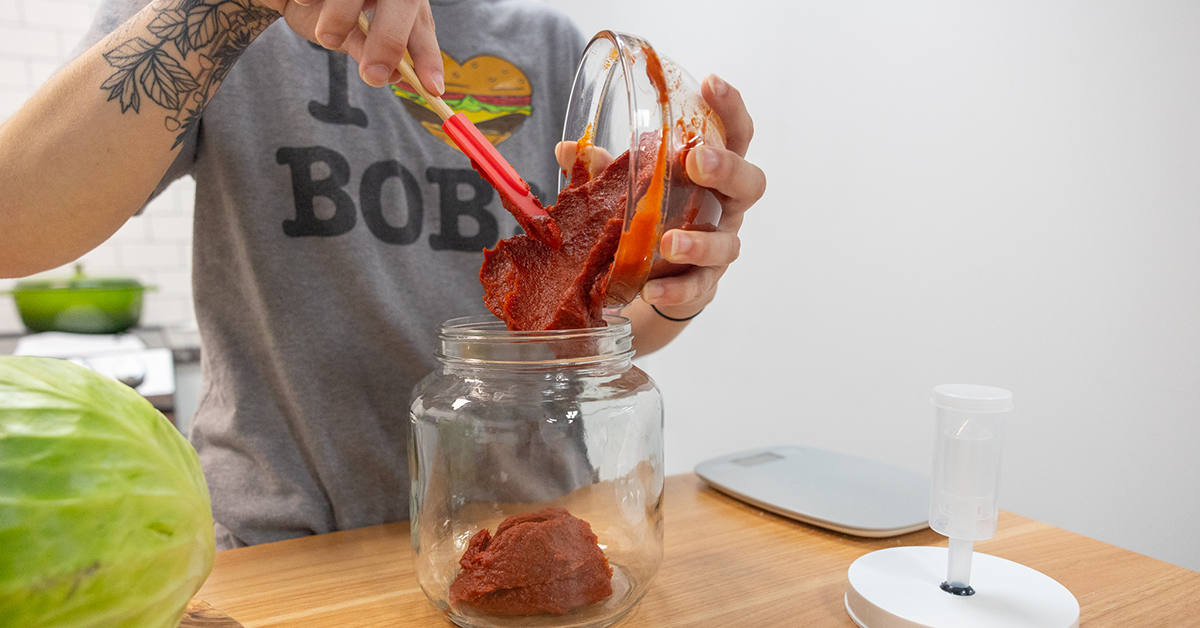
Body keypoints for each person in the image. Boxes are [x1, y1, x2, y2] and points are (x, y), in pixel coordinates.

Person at [0, 0, 766, 550]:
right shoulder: (217, 20)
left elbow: (589, 339)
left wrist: (665, 288)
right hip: (284, 554)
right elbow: (13, 226)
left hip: (528, 534)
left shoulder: (550, 48)